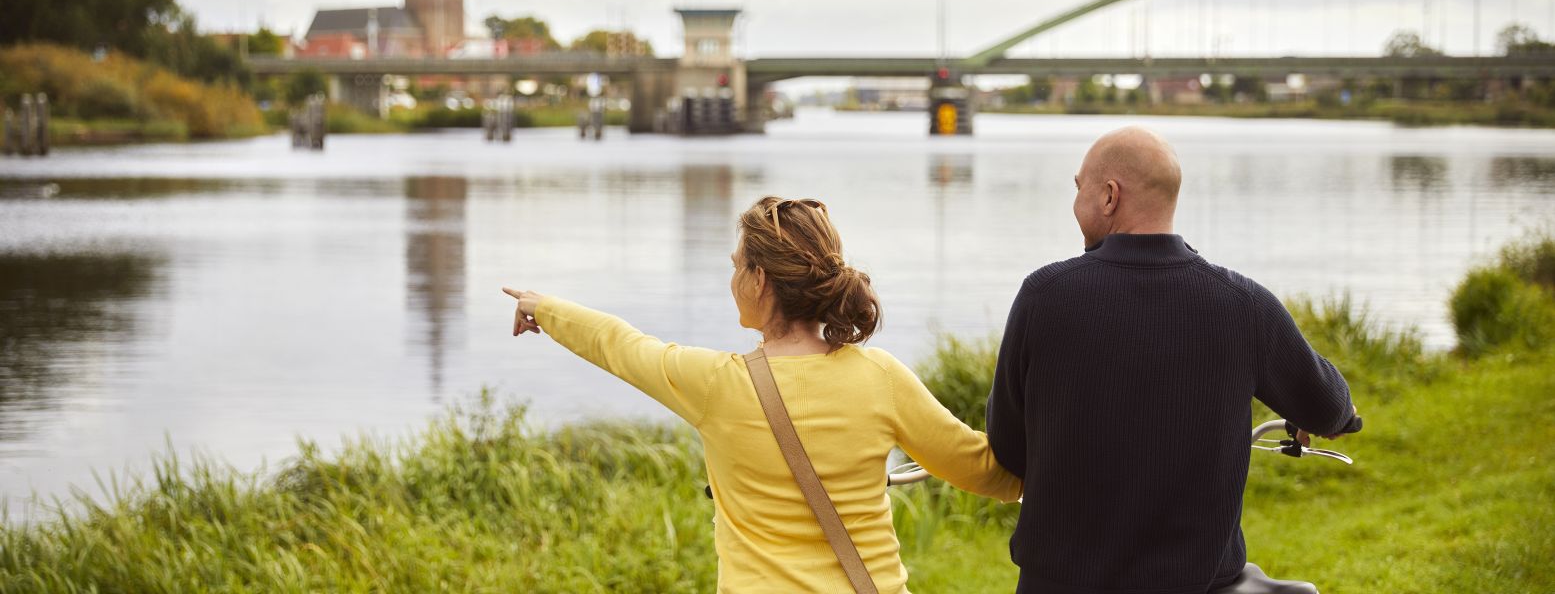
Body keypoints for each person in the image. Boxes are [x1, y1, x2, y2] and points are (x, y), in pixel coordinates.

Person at [504, 195, 1021, 593]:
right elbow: (985, 472)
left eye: (736, 266)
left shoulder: (715, 385)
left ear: (759, 279)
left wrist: (543, 307)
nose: (731, 280)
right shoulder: (879, 376)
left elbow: (621, 346)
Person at [986, 126, 1359, 594]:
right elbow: (1329, 407)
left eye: (1078, 187)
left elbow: (1007, 446)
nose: (1075, 201)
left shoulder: (1044, 295)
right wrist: (1325, 414)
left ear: (1108, 196)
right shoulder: (1242, 304)